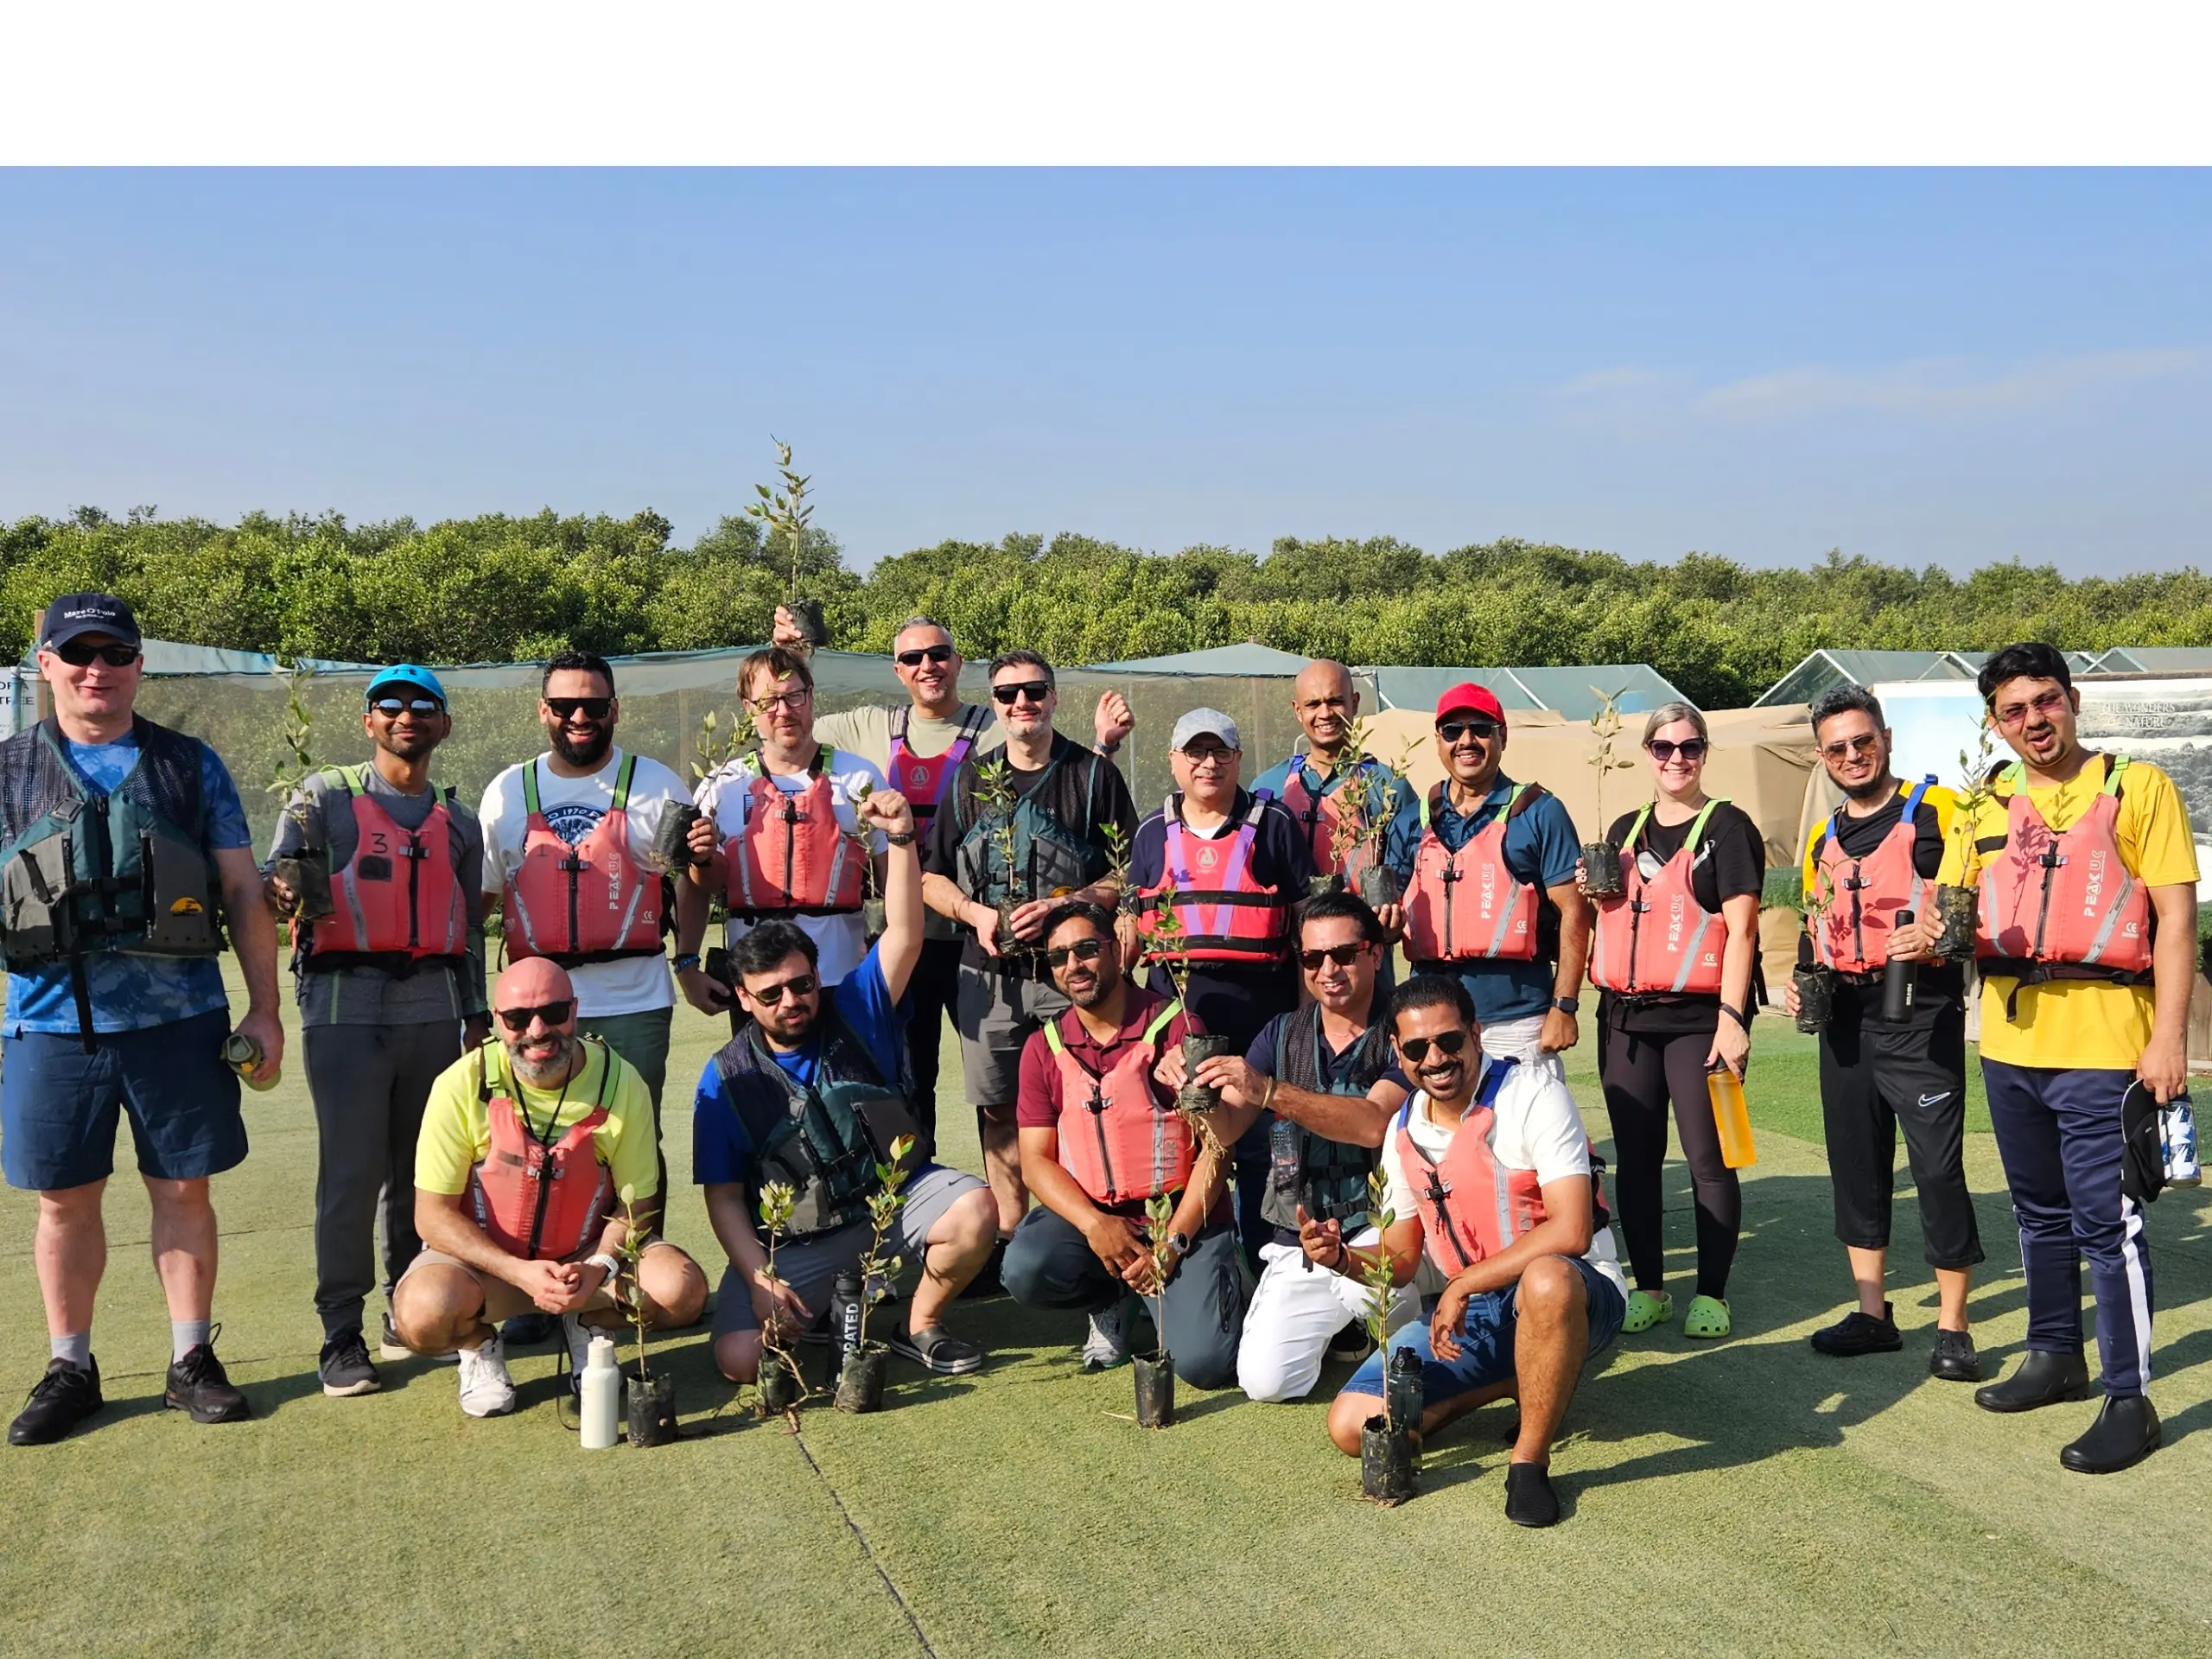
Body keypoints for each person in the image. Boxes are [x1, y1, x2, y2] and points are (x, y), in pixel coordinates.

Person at [3, 594, 283, 1445]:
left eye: (115, 653)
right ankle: (69, 1366)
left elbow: (240, 888)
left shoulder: (189, 765)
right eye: (77, 653)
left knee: (182, 1190)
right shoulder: (8, 770)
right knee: (63, 1203)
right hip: (49, 1025)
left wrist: (265, 1009)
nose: (98, 669)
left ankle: (191, 1359)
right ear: (44, 663)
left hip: (179, 1019)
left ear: (138, 665)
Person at [1914, 643, 2196, 1472]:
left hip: (2108, 1043)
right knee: (2036, 1213)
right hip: (2008, 1040)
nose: (2033, 721)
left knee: (2109, 1224)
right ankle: (2053, 1353)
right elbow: (1950, 915)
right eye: (2013, 710)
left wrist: (2169, 1036)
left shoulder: (2137, 788)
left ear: (2071, 701)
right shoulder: (1979, 803)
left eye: (2045, 702)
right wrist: (1927, 935)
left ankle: (2129, 1397)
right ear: (1995, 724)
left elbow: (2176, 920)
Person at [772, 607, 1135, 1162]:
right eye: (912, 658)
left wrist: (1104, 747)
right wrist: (792, 655)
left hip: (986, 950)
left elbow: (1055, 761)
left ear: (958, 664)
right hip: (907, 937)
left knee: (1039, 1090)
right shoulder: (869, 725)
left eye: (938, 654)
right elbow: (786, 719)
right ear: (897, 670)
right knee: (912, 1076)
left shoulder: (994, 725)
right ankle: (923, 1201)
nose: (927, 666)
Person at [695, 785, 999, 1382]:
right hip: (801, 1243)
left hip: (891, 1206)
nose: (792, 1001)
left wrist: (902, 839)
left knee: (974, 1208)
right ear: (744, 999)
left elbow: (907, 934)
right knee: (738, 1361)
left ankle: (920, 1326)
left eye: (802, 984)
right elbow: (724, 1199)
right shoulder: (726, 1076)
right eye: (771, 994)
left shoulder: (857, 1007)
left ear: (816, 975)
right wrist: (762, 1280)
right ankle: (826, 1311)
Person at [1323, 975, 1628, 1528]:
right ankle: (1514, 1380)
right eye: (1416, 1048)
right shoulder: (1403, 1128)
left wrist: (1463, 1283)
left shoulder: (1534, 1093)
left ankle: (1529, 1462)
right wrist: (1341, 1256)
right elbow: (1403, 1258)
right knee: (1351, 1424)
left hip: (1578, 1292)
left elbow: (1574, 1230)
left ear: (1477, 1033)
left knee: (1547, 1281)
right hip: (1484, 1313)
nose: (1435, 1059)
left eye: (1449, 1041)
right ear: (1397, 1052)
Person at [265, 664, 492, 1396]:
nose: (405, 716)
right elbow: (279, 879)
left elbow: (467, 931)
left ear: (443, 725)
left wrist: (476, 1015)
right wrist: (284, 886)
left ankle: (406, 1306)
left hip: (431, 1006)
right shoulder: (322, 797)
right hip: (343, 1006)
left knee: (422, 1172)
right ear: (368, 721)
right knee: (352, 1173)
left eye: (423, 706)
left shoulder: (457, 822)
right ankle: (341, 1334)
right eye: (387, 705)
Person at [479, 651, 691, 1344]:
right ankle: (532, 1292)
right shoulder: (508, 793)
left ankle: (619, 1290)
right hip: (540, 1001)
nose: (578, 718)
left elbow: (691, 882)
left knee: (634, 1146)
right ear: (543, 711)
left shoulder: (656, 784)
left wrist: (687, 957)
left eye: (592, 706)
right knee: (530, 1149)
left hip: (634, 992)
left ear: (614, 710)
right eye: (564, 706)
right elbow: (485, 896)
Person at [391, 958, 707, 1418]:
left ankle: (585, 1322)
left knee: (681, 1293)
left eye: (554, 1012)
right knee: (420, 1318)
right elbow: (432, 1214)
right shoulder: (459, 1085)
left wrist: (598, 1268)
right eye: (518, 1018)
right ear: (497, 1021)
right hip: (490, 1270)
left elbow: (637, 1202)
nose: (538, 1030)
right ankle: (478, 1346)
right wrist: (519, 1272)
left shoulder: (621, 1082)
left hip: (585, 1260)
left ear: (575, 1011)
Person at [1782, 685, 1983, 1381]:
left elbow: (1975, 907)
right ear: (1822, 756)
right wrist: (1802, 976)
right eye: (1837, 747)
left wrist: (1939, 938)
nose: (1853, 755)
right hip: (1843, 1013)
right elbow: (1817, 922)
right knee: (1856, 1164)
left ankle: (1954, 1325)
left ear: (1887, 738)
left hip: (1919, 1009)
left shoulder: (1938, 811)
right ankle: (1874, 1313)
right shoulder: (1821, 837)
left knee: (1934, 1166)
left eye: (1863, 741)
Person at [922, 649, 1138, 1259]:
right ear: (992, 704)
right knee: (998, 1110)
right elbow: (929, 878)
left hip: (1071, 978)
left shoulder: (1092, 777)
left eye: (1034, 691)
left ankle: (1085, 1235)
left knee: (1087, 1100)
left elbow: (1130, 873)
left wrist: (1067, 903)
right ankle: (1015, 1240)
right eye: (1008, 694)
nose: (1023, 704)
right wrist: (974, 913)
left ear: (1054, 697)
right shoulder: (969, 779)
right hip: (985, 978)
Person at [1170, 891, 1412, 1402]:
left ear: (1374, 953)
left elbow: (1373, 1124)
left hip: (1382, 1232)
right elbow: (1231, 1126)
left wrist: (1272, 1091)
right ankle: (1335, 1327)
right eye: (1313, 958)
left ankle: (1411, 1318)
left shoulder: (1406, 1028)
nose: (1329, 969)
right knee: (1265, 1383)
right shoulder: (1281, 1032)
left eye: (1344, 954)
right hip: (1299, 1233)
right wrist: (1195, 1089)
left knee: (1368, 1301)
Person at [1002, 902, 1248, 1386]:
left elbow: (1218, 1152)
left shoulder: (1180, 1029)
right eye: (1058, 957)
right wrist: (1097, 1226)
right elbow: (1034, 1163)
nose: (1073, 965)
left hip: (1180, 1218)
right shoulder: (1042, 1047)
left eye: (1087, 949)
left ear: (1117, 951)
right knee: (1026, 1267)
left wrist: (1173, 1242)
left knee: (1204, 1365)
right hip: (1101, 1218)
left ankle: (1219, 1277)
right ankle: (1109, 1297)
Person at [1585, 702, 1764, 1342]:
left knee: (1709, 1158)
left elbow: (1742, 932)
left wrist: (1732, 1019)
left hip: (1698, 1021)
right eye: (1663, 748)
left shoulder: (1730, 827)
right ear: (1648, 753)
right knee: (1635, 1161)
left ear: (1705, 752)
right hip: (1627, 1021)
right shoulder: (1625, 831)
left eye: (1689, 747)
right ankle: (1651, 1289)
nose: (1676, 759)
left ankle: (1711, 1294)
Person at [1127, 708, 1313, 1271]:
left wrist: (1305, 1024)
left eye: (1221, 752)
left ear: (1237, 760)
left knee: (1264, 1156)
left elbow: (1307, 931)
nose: (1208, 764)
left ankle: (1269, 1274)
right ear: (1174, 762)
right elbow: (1133, 939)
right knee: (1179, 1156)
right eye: (1196, 752)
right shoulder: (1149, 835)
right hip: (1181, 1032)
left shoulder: (1274, 825)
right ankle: (1185, 1275)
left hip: (1264, 1027)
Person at [1384, 683, 1591, 1072]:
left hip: (1518, 1023)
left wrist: (1564, 1005)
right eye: (1452, 731)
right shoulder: (1412, 820)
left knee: (1525, 1132)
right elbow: (1388, 912)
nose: (1466, 741)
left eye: (1480, 728)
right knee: (1445, 1133)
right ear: (1438, 741)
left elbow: (1575, 912)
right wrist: (1383, 924)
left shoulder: (1540, 812)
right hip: (1435, 1025)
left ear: (1503, 736)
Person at [676, 645, 887, 1014]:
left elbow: (891, 874)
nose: (784, 711)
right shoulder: (722, 784)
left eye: (795, 697)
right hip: (759, 987)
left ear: (811, 696)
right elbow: (695, 885)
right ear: (747, 707)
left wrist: (888, 953)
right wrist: (686, 964)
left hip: (846, 979)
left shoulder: (859, 777)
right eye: (770, 701)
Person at [1252, 658, 1417, 894]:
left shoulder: (1389, 786)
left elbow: (1411, 874)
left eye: (1335, 701)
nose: (1325, 713)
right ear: (1298, 711)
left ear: (1354, 702)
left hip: (1364, 927)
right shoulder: (1268, 788)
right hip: (1287, 929)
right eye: (1313, 704)